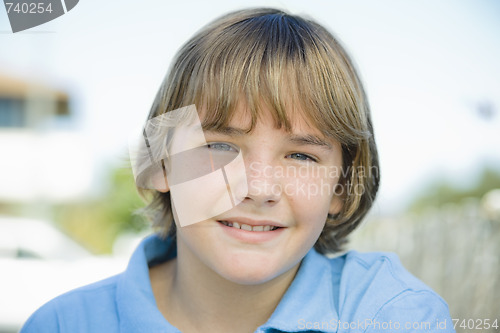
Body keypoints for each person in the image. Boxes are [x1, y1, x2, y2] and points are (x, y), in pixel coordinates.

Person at [21, 8, 454, 333]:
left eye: (301, 156)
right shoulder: (62, 324)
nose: (259, 188)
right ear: (162, 164)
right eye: (220, 146)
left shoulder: (391, 316)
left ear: (341, 186)